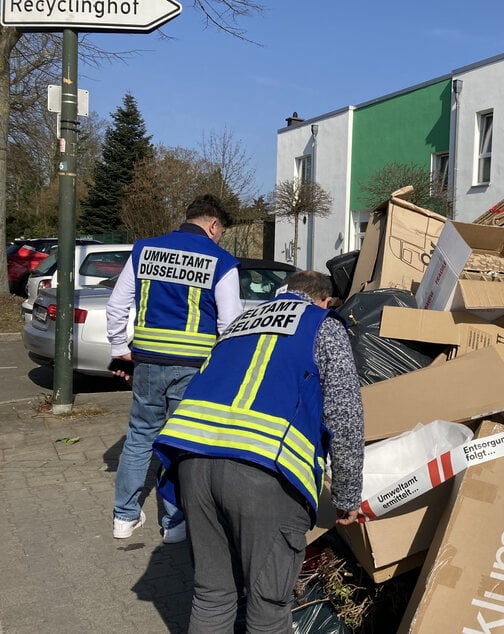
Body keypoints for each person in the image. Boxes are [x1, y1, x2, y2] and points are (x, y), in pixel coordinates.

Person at [153, 270, 365, 632]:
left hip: (193, 461)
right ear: (324, 300)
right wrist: (347, 495)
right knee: (268, 602)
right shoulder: (322, 325)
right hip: (264, 473)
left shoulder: (240, 323)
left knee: (211, 594)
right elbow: (345, 414)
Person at [107, 194, 242, 544]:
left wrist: (120, 348)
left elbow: (118, 304)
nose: (220, 238)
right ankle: (174, 523)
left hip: (148, 361)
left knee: (139, 435)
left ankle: (123, 517)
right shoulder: (221, 261)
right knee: (181, 443)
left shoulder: (145, 250)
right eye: (221, 232)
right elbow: (230, 325)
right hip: (194, 367)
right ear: (213, 225)